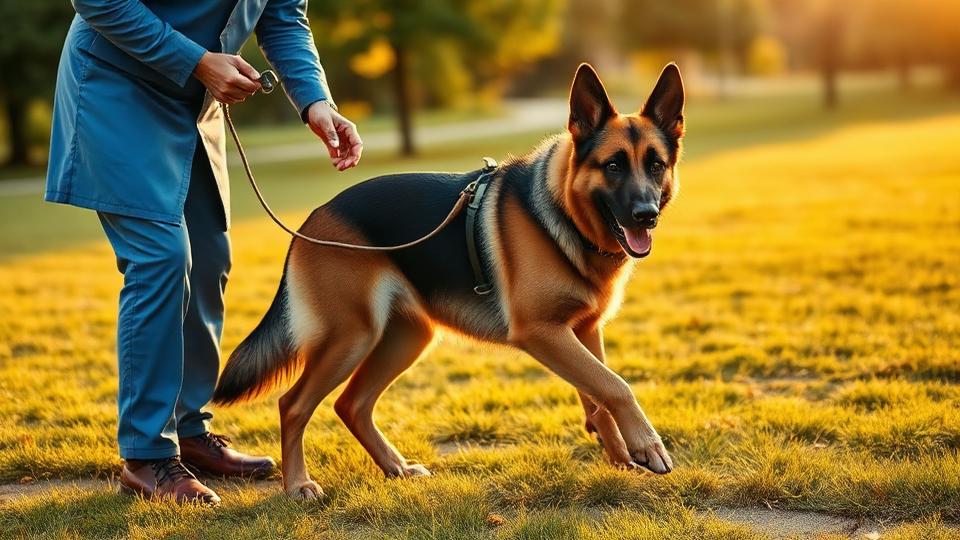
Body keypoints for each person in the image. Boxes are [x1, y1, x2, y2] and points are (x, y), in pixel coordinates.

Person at [44, 0, 363, 505]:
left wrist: (315, 102)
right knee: (161, 259)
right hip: (118, 85)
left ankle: (188, 431)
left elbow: (282, 16)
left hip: (195, 102)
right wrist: (195, 59)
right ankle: (147, 455)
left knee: (211, 258)